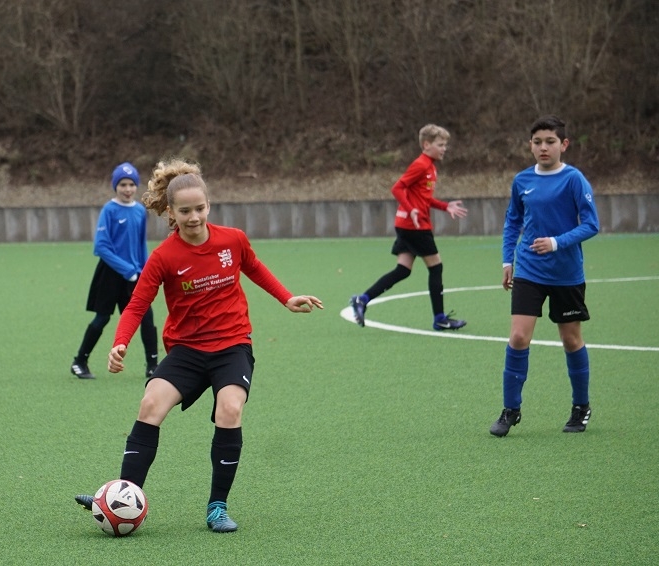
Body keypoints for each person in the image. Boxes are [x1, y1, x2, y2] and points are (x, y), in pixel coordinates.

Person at [73, 159, 323, 532]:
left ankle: (217, 507)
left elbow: (254, 267)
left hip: (232, 345)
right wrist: (119, 343)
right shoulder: (164, 257)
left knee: (230, 409)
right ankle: (122, 499)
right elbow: (137, 304)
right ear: (171, 213)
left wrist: (286, 298)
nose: (194, 217)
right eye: (185, 211)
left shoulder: (232, 240)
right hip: (187, 351)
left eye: (200, 208)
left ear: (209, 206)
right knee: (150, 404)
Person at [490, 115, 600, 437]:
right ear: (530, 145)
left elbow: (591, 224)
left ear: (563, 144)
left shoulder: (574, 179)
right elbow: (513, 221)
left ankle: (581, 406)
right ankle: (511, 410)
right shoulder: (522, 180)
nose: (543, 147)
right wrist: (507, 260)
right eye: (537, 142)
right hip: (529, 270)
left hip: (566, 273)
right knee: (518, 337)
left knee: (571, 339)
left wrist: (556, 242)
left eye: (550, 141)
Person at [349, 124, 469, 330]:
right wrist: (410, 208)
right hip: (415, 226)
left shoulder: (430, 167)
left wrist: (445, 206)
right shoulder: (421, 165)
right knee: (436, 267)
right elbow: (397, 188)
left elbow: (424, 198)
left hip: (408, 225)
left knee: (403, 270)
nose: (444, 149)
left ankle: (362, 299)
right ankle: (440, 318)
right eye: (440, 145)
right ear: (426, 145)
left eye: (445, 145)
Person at [70, 162, 159, 379]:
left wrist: (145, 270)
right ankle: (80, 362)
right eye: (123, 185)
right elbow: (101, 246)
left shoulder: (139, 211)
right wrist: (126, 269)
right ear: (115, 186)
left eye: (131, 184)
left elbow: (141, 244)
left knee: (146, 318)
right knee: (102, 318)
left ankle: (153, 366)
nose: (127, 189)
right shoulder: (109, 210)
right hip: (110, 275)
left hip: (135, 276)